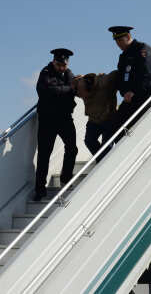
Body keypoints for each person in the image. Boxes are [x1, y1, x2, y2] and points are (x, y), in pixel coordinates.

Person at [34, 48, 78, 201]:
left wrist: (72, 88)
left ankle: (66, 179)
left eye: (64, 65)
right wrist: (68, 89)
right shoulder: (45, 73)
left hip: (64, 117)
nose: (62, 68)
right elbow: (49, 91)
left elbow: (75, 86)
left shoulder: (68, 73)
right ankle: (40, 190)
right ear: (54, 62)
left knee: (72, 148)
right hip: (48, 118)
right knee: (44, 154)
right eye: (59, 65)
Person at [108, 26, 151, 139]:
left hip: (145, 98)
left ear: (128, 36)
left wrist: (134, 92)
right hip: (129, 100)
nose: (118, 44)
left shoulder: (143, 49)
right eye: (116, 41)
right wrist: (124, 92)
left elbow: (147, 74)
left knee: (137, 130)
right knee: (112, 130)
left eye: (120, 40)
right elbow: (121, 79)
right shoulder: (123, 56)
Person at [75, 71, 119, 162]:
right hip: (94, 120)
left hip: (109, 119)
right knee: (89, 140)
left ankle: (105, 162)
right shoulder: (79, 85)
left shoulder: (103, 82)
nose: (80, 97)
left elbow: (117, 74)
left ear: (88, 89)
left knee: (106, 145)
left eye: (81, 94)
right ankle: (101, 161)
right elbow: (71, 82)